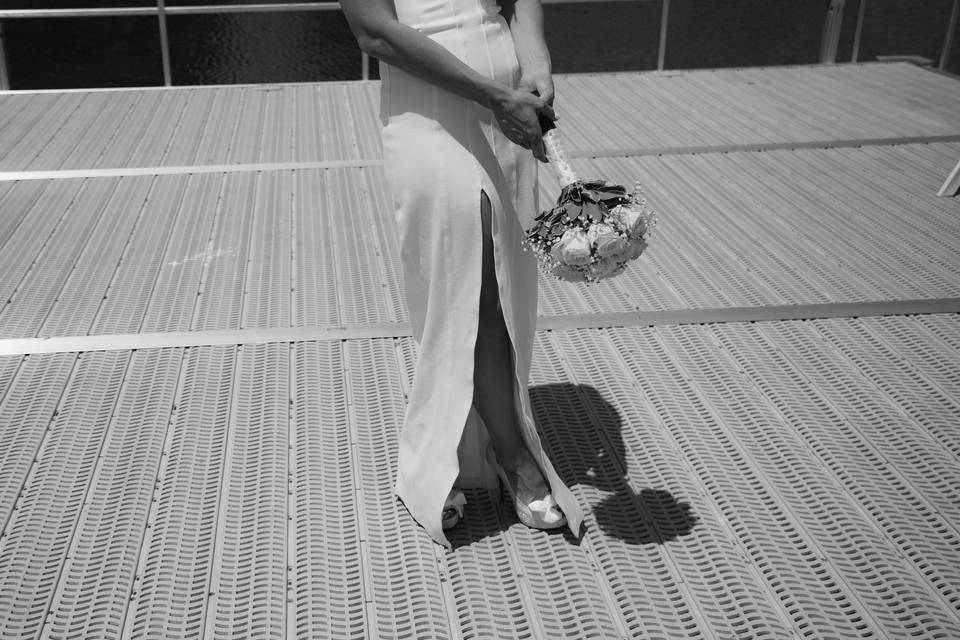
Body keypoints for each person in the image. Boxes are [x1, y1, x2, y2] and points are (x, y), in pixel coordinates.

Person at [340, 0, 584, 548]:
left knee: (500, 283)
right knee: (463, 287)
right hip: (429, 109)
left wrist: (537, 67)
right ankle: (510, 453)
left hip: (507, 110)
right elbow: (374, 32)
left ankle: (454, 449)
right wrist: (495, 96)